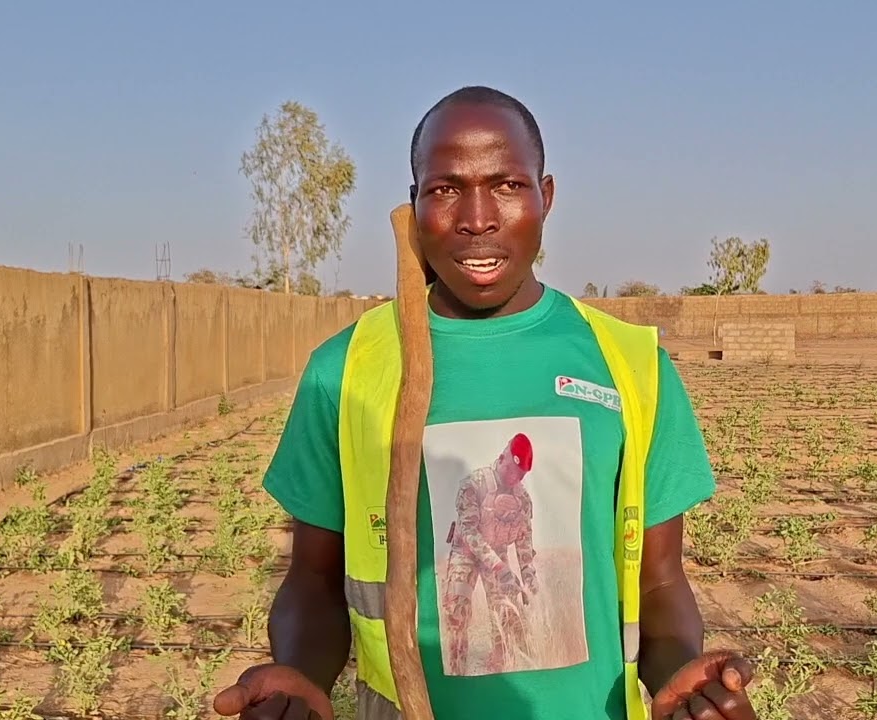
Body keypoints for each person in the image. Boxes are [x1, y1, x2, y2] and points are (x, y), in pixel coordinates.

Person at [213, 86, 758, 720]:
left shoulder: (631, 365)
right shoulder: (345, 371)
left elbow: (659, 582)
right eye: (446, 188)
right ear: (415, 203)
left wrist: (683, 679)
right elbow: (313, 580)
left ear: (545, 196)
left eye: (507, 185)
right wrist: (299, 674)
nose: (477, 218)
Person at [441, 432, 538, 676]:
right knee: (456, 610)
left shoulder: (522, 500)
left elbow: (524, 540)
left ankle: (499, 671)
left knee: (505, 612)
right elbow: (470, 533)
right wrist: (500, 567)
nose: (514, 479)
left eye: (520, 475)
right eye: (512, 471)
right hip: (466, 551)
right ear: (502, 458)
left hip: (496, 552)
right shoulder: (473, 485)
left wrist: (528, 577)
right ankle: (457, 673)